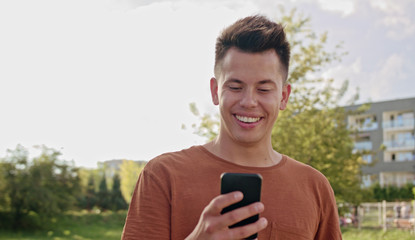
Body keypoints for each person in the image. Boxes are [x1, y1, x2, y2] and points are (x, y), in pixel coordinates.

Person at [121, 15, 342, 240]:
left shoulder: (314, 187)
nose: (248, 101)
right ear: (215, 90)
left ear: (284, 96)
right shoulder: (162, 175)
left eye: (264, 89)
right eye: (235, 87)